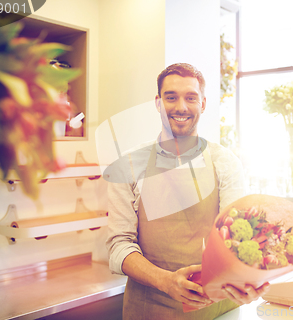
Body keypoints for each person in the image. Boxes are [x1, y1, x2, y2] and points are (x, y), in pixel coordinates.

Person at [105, 63, 270, 319]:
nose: (181, 107)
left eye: (190, 97)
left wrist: (249, 277)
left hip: (216, 311)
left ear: (203, 104)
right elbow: (119, 246)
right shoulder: (127, 165)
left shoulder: (225, 163)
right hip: (149, 310)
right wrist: (166, 281)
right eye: (171, 97)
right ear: (158, 103)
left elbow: (240, 238)